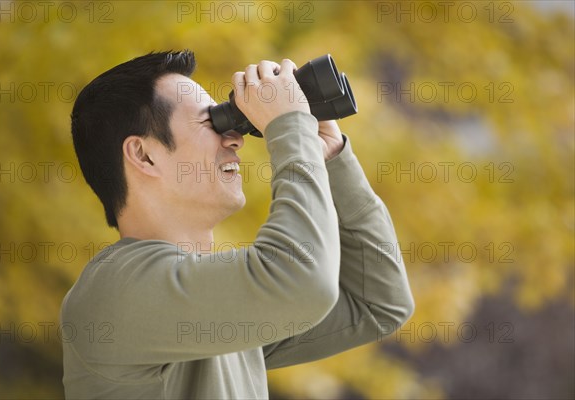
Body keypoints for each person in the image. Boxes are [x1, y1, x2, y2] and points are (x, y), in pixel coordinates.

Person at [62, 49, 414, 399]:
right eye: (210, 122)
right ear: (143, 154)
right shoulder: (116, 292)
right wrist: (288, 128)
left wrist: (328, 155)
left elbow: (377, 304)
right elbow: (304, 284)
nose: (235, 138)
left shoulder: (206, 307)